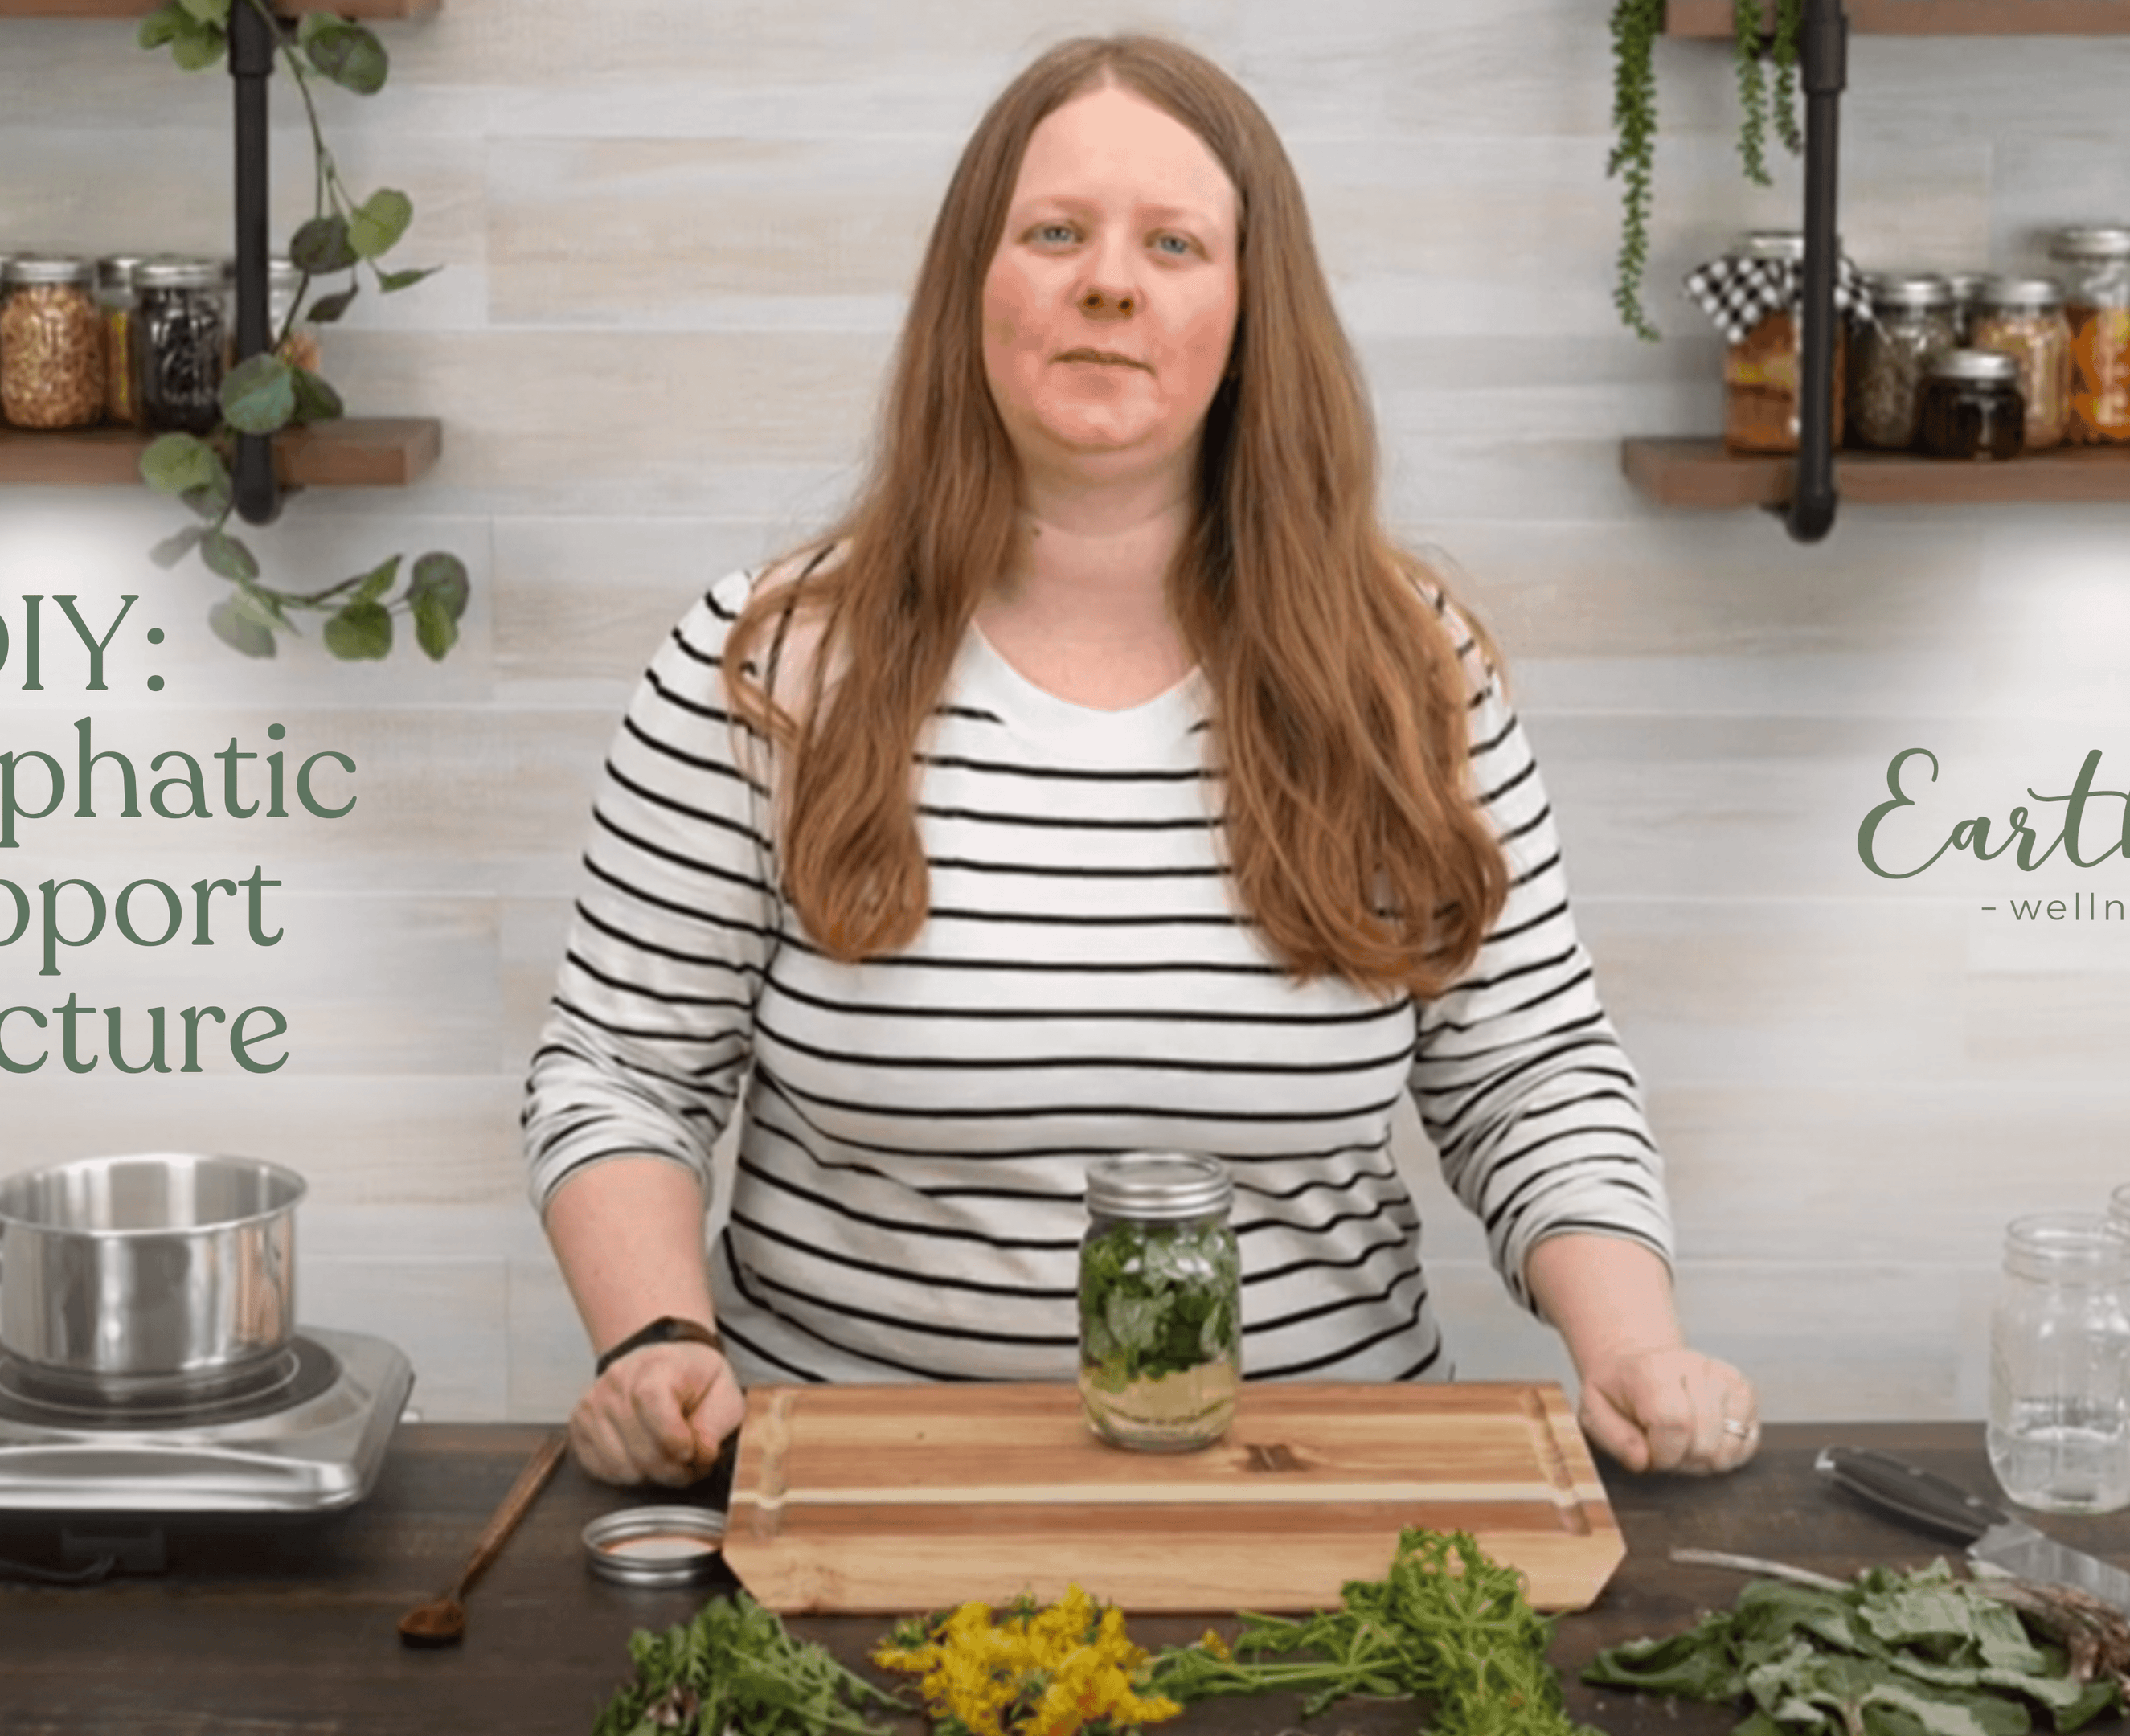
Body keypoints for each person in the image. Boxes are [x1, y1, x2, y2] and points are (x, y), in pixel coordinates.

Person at [522, 32, 1759, 1489]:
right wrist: (654, 1340)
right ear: (971, 292)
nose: (1110, 279)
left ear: (1247, 313)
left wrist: (1629, 1350)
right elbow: (623, 1072)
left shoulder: (1407, 670)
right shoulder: (767, 663)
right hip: (859, 1487)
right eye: (1055, 233)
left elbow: (1529, 1073)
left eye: (1174, 242)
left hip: (1320, 1490)